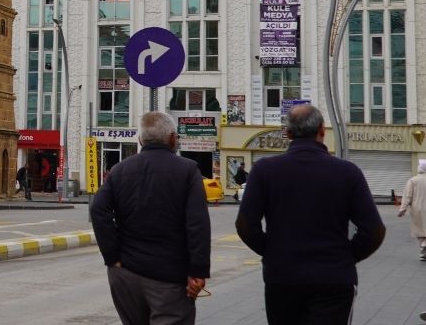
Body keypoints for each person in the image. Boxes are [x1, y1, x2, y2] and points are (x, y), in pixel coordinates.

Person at [236, 104, 384, 324]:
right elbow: (374, 230)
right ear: (322, 130)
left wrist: (272, 252)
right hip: (333, 278)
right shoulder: (347, 172)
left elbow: (246, 225)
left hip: (282, 277)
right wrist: (346, 256)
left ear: (287, 133)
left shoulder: (264, 170)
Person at [90, 112, 210, 325]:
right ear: (173, 138)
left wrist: (112, 256)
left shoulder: (119, 170)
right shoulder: (187, 170)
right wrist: (198, 271)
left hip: (125, 274)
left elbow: (98, 209)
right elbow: (197, 224)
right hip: (169, 279)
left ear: (140, 140)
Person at [398, 161, 426, 261]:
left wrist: (402, 209)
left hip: (417, 209)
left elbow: (407, 196)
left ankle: (423, 249)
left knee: (420, 230)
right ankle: (423, 250)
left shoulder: (413, 181)